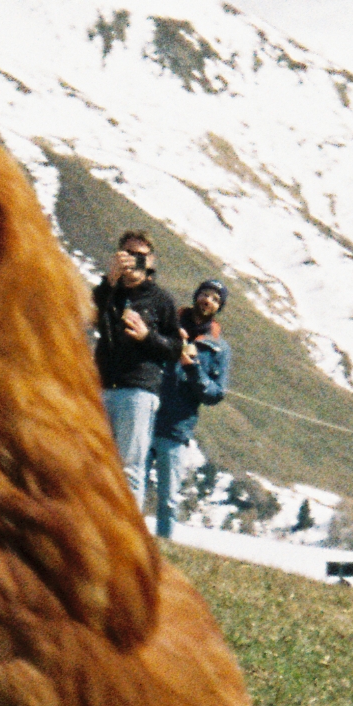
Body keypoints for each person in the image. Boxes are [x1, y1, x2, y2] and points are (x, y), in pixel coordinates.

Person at [91, 230, 181, 508]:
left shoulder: (161, 300)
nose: (134, 261)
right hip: (103, 386)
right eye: (128, 254)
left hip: (138, 391)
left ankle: (128, 539)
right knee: (95, 463)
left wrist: (147, 337)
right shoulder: (108, 293)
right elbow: (92, 314)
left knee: (130, 467)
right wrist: (110, 280)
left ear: (151, 262)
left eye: (141, 256)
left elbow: (176, 348)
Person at [147, 279, 230, 537]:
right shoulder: (166, 325)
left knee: (168, 498)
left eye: (215, 299)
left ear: (219, 307)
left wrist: (192, 368)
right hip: (143, 414)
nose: (208, 300)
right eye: (205, 294)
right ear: (196, 296)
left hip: (176, 427)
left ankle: (163, 550)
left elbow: (216, 394)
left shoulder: (219, 348)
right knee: (126, 485)